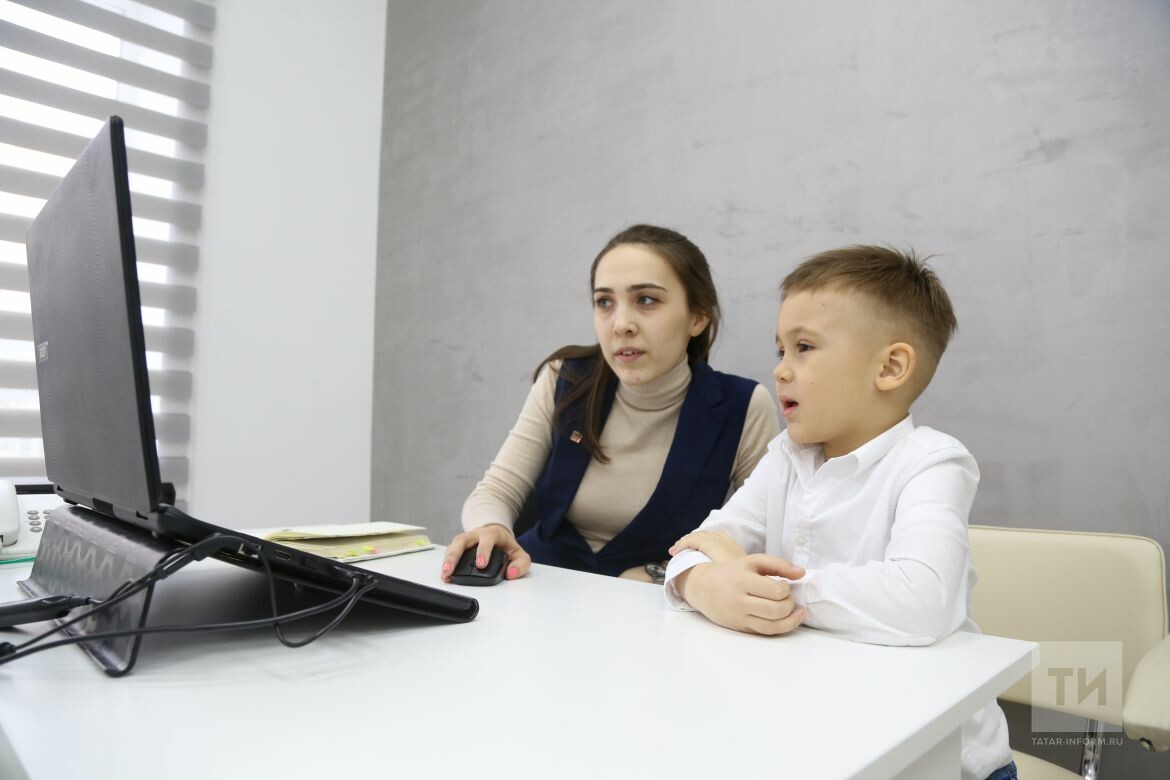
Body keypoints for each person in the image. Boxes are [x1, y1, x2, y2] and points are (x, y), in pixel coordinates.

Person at [665, 246, 1016, 780]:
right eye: (780, 349)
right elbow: (694, 547)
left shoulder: (932, 462)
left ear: (890, 367)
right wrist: (705, 585)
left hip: (940, 760)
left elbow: (920, 600)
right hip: (820, 736)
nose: (780, 370)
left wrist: (763, 589)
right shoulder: (785, 457)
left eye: (804, 347)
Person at [441, 224, 780, 583]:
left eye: (646, 300)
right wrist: (491, 528)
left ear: (697, 316)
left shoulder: (742, 407)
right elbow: (496, 490)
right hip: (540, 586)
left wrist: (660, 574)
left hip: (655, 607)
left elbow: (764, 539)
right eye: (604, 302)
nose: (621, 325)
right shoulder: (566, 379)